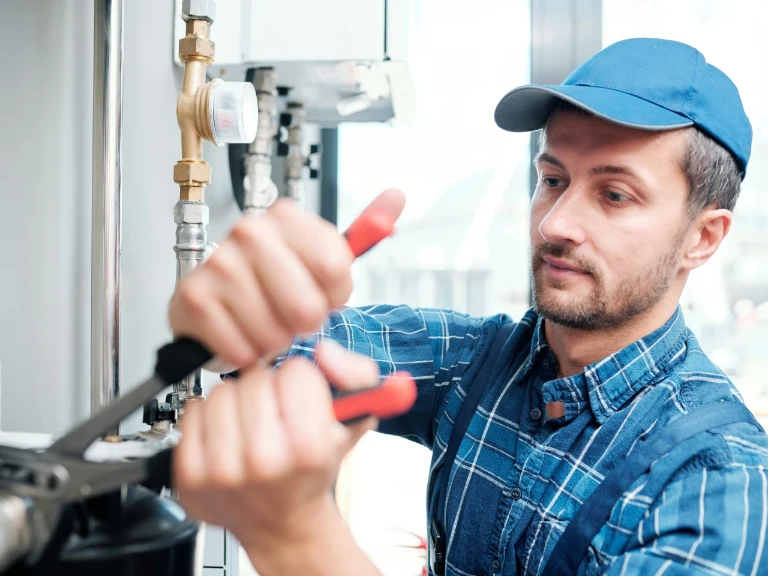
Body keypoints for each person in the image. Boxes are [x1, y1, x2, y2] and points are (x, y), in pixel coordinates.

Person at [168, 38, 768, 575]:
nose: (556, 223)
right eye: (553, 179)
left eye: (614, 195)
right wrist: (230, 311)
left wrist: (297, 538)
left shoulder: (719, 483)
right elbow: (279, 345)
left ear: (703, 237)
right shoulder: (481, 362)